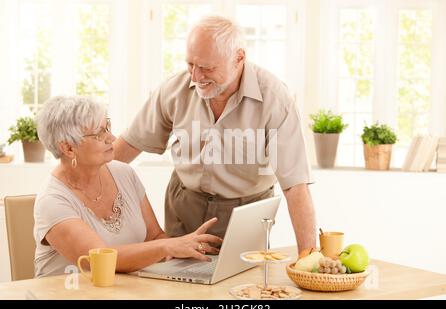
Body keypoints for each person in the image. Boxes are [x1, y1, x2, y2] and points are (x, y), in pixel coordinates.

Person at [113, 15, 316, 254]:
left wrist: (309, 258)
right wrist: (75, 183)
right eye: (191, 65)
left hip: (246, 210)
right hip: (184, 205)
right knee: (179, 283)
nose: (196, 77)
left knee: (239, 286)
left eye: (207, 68)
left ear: (239, 58)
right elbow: (129, 144)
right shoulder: (174, 90)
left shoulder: (274, 99)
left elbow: (295, 187)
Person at [34, 96, 222, 278]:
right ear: (68, 148)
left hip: (120, 291)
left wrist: (184, 250)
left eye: (107, 127)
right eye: (99, 134)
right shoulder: (51, 201)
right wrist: (168, 246)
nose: (112, 137)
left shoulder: (124, 173)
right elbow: (98, 259)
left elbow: (154, 236)